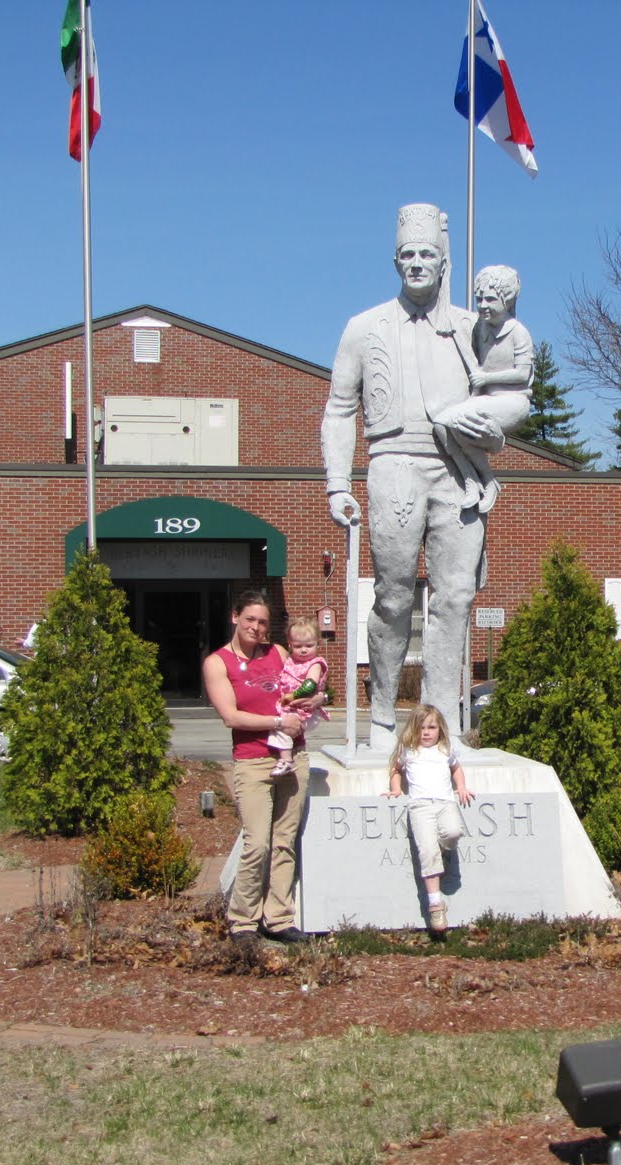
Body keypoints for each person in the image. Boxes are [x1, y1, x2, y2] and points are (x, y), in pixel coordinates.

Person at [321, 203, 529, 751]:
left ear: (444, 262)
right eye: (408, 254)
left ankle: (443, 723)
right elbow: (340, 409)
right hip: (393, 466)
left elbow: (514, 393)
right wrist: (337, 484)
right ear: (395, 260)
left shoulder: (472, 327)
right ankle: (384, 716)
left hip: (458, 471)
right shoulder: (363, 328)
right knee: (393, 599)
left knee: (455, 598)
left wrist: (490, 423)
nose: (417, 264)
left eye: (427, 255)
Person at [202, 590, 323, 946]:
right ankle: (242, 921)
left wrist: (317, 698)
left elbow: (306, 682)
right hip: (253, 761)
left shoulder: (278, 653)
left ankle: (279, 918)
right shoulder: (218, 662)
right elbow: (231, 716)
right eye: (250, 619)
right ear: (235, 617)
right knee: (257, 843)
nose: (256, 627)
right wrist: (277, 722)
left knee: (285, 841)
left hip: (293, 757)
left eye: (263, 622)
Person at [430, 264, 533, 514]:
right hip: (485, 397)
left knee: (455, 422)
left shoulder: (518, 333)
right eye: (479, 299)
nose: (483, 305)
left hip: (512, 400)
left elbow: (522, 373)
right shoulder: (481, 328)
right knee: (442, 425)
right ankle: (470, 478)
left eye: (490, 299)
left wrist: (486, 377)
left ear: (506, 300)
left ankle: (487, 481)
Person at [383, 704, 474, 933]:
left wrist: (461, 786)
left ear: (440, 729)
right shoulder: (409, 751)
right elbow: (396, 769)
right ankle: (435, 904)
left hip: (445, 803)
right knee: (428, 852)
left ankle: (440, 852)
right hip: (420, 806)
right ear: (414, 729)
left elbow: (456, 768)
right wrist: (396, 789)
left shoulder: (445, 750)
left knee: (454, 832)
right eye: (422, 727)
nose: (426, 732)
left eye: (431, 727)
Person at [267, 616, 328, 778]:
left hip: (304, 708)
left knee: (282, 727)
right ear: (290, 644)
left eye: (309, 645)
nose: (303, 650)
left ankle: (286, 760)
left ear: (318, 644)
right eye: (297, 646)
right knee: (280, 724)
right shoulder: (290, 661)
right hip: (293, 706)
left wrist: (293, 695)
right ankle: (286, 758)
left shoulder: (315, 664)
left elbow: (310, 685)